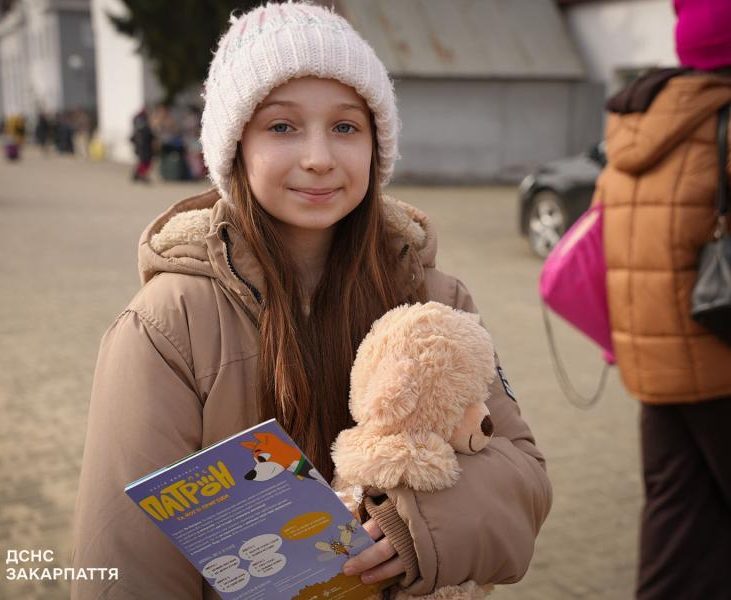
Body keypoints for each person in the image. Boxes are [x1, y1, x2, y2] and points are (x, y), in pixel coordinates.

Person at [70, 4, 552, 599]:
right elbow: (126, 562)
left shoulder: (435, 298)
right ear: (235, 146)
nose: (319, 156)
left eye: (346, 127)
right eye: (282, 126)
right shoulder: (167, 325)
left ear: (377, 146)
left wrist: (413, 530)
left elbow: (522, 473)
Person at [593, 1, 731, 598]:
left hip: (654, 371)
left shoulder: (636, 123)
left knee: (677, 524)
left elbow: (602, 244)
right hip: (722, 365)